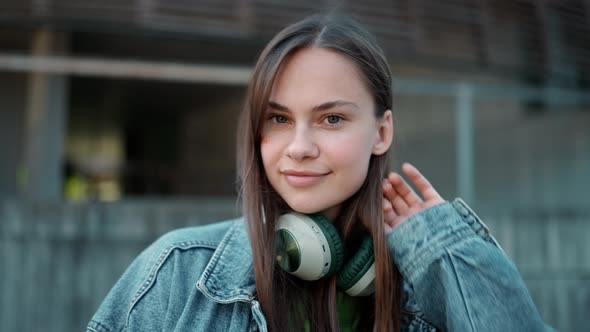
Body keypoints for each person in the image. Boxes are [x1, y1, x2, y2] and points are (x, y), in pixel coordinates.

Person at [87, 14, 554, 332]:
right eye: (279, 119)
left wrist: (452, 257)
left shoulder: (434, 284)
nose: (300, 148)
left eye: (332, 119)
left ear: (382, 132)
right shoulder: (176, 272)